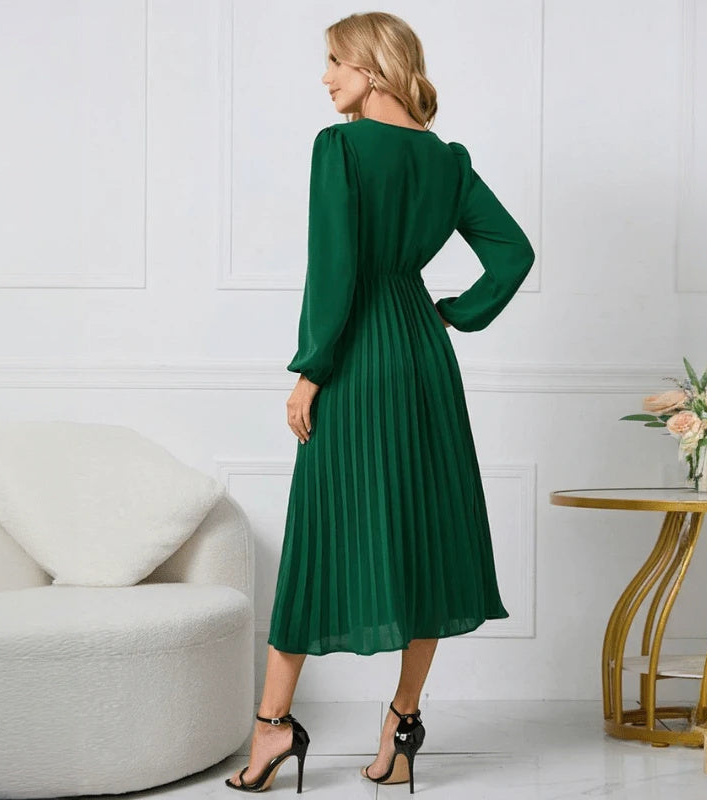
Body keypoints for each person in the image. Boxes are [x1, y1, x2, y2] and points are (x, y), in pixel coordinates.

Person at [226, 10, 535, 794]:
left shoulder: (341, 149)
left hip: (358, 358)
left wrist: (311, 369)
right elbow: (513, 253)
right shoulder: (446, 161)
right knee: (425, 538)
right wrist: (452, 314)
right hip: (422, 355)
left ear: (372, 66)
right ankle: (402, 725)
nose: (325, 76)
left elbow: (333, 271)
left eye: (336, 60)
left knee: (319, 536)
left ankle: (272, 726)